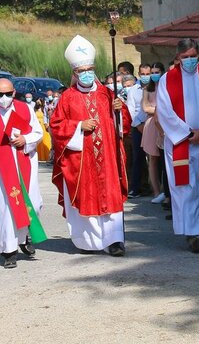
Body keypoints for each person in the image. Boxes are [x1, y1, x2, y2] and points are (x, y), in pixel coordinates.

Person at [49, 36, 129, 256]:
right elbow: (55, 125)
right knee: (88, 196)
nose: (86, 73)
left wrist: (119, 110)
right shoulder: (67, 98)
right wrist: (78, 126)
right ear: (74, 73)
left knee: (110, 195)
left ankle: (114, 241)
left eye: (90, 69)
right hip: (82, 160)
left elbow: (124, 126)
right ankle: (89, 242)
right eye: (81, 70)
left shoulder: (107, 94)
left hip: (108, 158)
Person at [156, 38, 199, 253]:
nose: (189, 60)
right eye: (184, 57)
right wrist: (187, 133)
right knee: (185, 187)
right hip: (180, 143)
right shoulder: (167, 80)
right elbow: (165, 111)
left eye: (192, 56)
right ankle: (192, 234)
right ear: (177, 58)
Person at [0, 78, 47, 268]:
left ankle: (26, 237)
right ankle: (9, 251)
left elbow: (38, 133)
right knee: (5, 208)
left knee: (33, 204)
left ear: (14, 92)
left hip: (25, 163)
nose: (4, 98)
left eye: (7, 94)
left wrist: (25, 139)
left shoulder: (25, 109)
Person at [140, 63, 166, 204]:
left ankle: (165, 190)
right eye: (153, 72)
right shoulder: (147, 89)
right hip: (151, 125)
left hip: (164, 124)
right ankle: (156, 191)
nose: (155, 74)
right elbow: (145, 107)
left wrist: (154, 108)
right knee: (153, 159)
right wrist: (158, 109)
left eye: (157, 71)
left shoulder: (166, 87)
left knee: (164, 158)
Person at [127, 64, 151, 198]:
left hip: (152, 125)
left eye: (148, 74)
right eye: (143, 74)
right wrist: (138, 125)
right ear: (139, 74)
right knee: (138, 158)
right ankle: (136, 188)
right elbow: (130, 109)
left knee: (155, 158)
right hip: (138, 127)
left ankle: (156, 188)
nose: (145, 76)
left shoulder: (155, 88)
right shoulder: (133, 90)